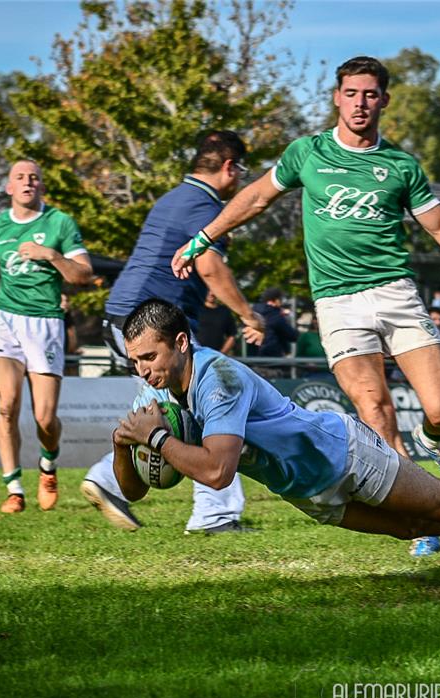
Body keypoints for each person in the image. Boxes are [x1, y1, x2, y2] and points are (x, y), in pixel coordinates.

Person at [171, 56, 440, 558]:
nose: (360, 103)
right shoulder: (308, 153)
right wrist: (203, 237)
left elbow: (436, 223)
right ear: (337, 97)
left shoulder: (401, 165)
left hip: (395, 292)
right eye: (351, 93)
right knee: (374, 407)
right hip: (338, 303)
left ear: (384, 100)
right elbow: (257, 196)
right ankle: (417, 513)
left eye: (370, 94)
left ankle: (434, 441)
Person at [112, 299, 440, 554]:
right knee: (411, 528)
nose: (143, 370)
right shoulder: (155, 393)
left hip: (338, 454)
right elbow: (139, 491)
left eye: (150, 357)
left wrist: (156, 438)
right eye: (134, 361)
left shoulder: (217, 379)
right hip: (302, 489)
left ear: (180, 342)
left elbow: (217, 472)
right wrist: (122, 445)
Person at [81, 130, 264, 534]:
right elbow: (210, 267)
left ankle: (107, 479)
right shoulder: (201, 203)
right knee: (206, 401)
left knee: (169, 407)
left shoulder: (176, 197)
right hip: (152, 321)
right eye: (242, 172)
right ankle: (213, 516)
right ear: (230, 167)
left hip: (130, 313)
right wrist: (249, 315)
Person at [0, 159, 95, 514]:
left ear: (42, 188)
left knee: (44, 418)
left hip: (45, 322)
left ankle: (48, 466)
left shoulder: (59, 223)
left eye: (34, 178)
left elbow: (84, 274)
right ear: (9, 188)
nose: (27, 182)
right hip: (5, 319)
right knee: (6, 405)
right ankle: (14, 489)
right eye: (20, 177)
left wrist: (50, 254)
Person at [252, 286, 299, 357]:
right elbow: (292, 336)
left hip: (252, 357)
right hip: (272, 358)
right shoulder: (275, 315)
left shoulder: (253, 312)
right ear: (276, 300)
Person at [195, 291, 238, 355]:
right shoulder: (195, 309)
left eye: (213, 291)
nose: (211, 294)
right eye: (208, 290)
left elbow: (232, 335)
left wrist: (221, 353)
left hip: (217, 357)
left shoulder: (225, 312)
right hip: (195, 354)